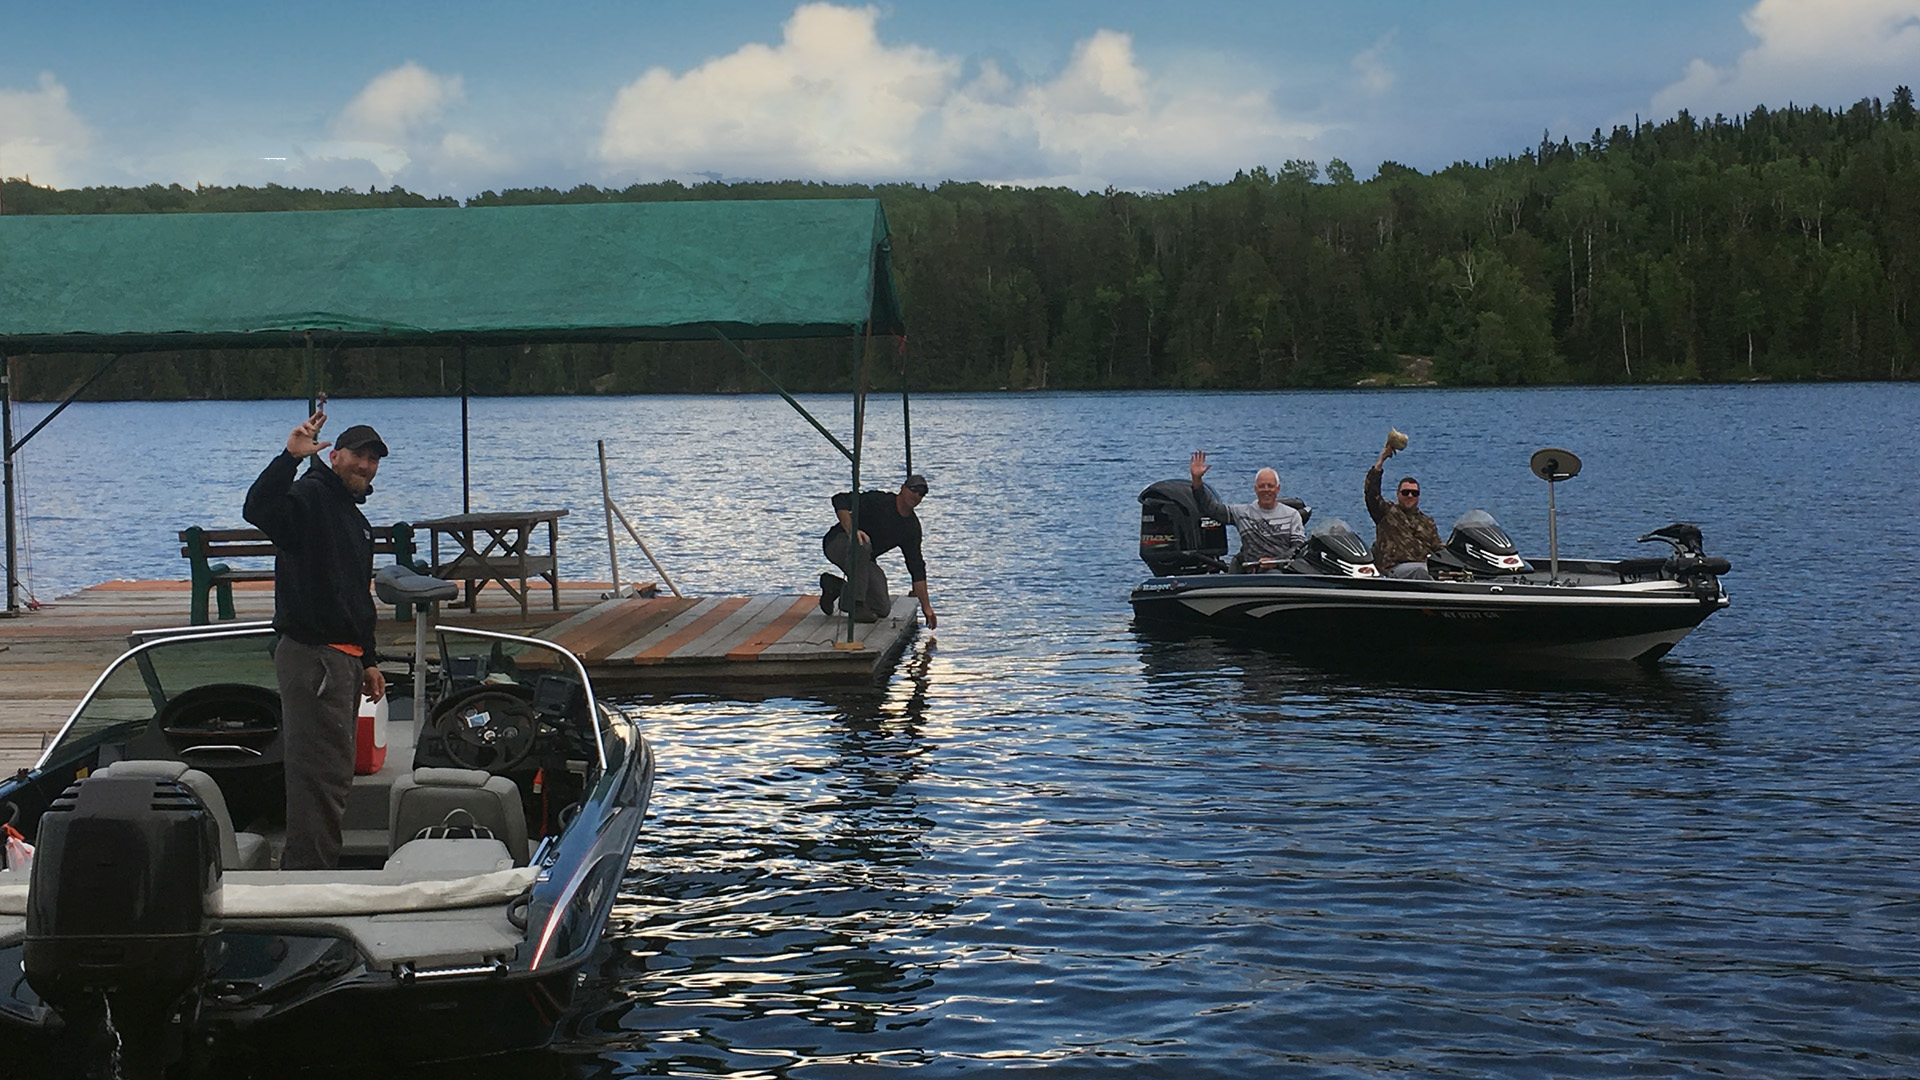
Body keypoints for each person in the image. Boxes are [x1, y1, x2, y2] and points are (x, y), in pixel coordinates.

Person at [243, 410, 389, 870]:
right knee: (319, 780)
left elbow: (354, 596)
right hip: (314, 659)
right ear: (335, 455)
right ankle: (308, 881)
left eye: (373, 460)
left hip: (344, 660)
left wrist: (368, 658)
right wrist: (289, 458)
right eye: (357, 456)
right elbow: (259, 510)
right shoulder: (307, 497)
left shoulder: (354, 518)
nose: (364, 466)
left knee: (333, 777)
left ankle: (313, 872)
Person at [819, 473, 938, 629]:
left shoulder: (911, 528)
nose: (916, 495)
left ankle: (835, 587)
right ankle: (856, 604)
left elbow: (917, 568)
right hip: (838, 543)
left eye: (921, 493)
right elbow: (839, 500)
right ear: (903, 489)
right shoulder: (880, 501)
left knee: (881, 608)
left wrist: (927, 607)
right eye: (913, 489)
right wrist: (852, 531)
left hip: (864, 558)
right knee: (862, 544)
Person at [1188, 451, 1305, 570]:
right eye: (1261, 486)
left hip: (1282, 571)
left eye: (1270, 486)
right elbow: (1211, 509)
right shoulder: (1243, 513)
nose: (1266, 490)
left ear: (1278, 489)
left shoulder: (1292, 515)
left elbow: (1299, 548)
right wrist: (1197, 480)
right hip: (1251, 573)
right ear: (1255, 489)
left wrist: (1276, 562)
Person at [1364, 442, 1443, 578]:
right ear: (1398, 494)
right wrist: (1381, 460)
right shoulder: (1386, 512)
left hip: (1423, 568)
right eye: (1406, 492)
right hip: (1395, 570)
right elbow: (1371, 493)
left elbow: (1439, 549)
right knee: (1422, 570)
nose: (1410, 496)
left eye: (1414, 493)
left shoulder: (1427, 522)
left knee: (1437, 570)